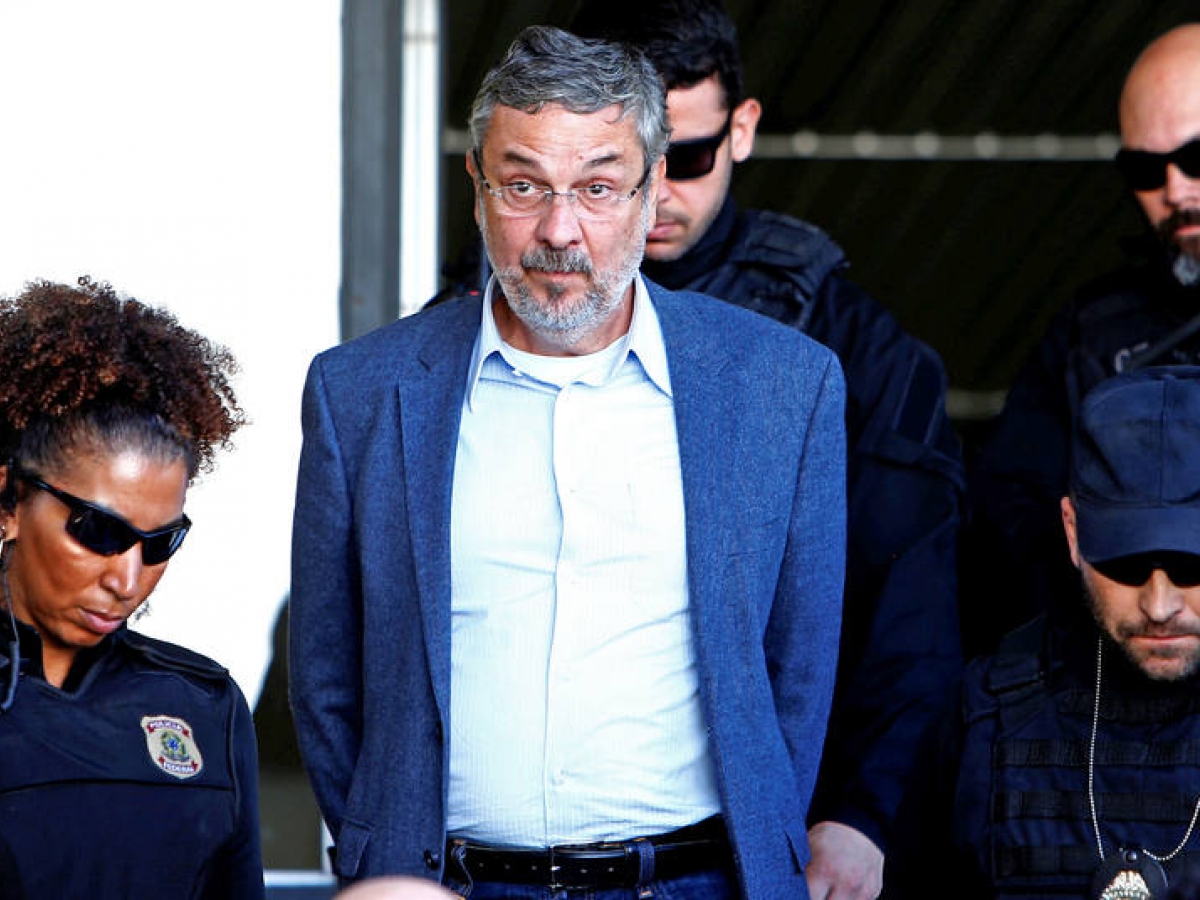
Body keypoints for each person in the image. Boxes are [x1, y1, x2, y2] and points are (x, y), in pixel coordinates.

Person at [290, 25, 846, 900]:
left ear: (651, 190)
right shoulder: (359, 392)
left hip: (696, 885)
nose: (559, 230)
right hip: (446, 885)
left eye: (597, 187)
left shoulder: (781, 386)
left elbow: (797, 677)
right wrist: (381, 854)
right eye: (523, 186)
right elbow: (327, 680)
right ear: (476, 187)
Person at [566, 2, 964, 897]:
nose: (654, 193)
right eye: (616, 164)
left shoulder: (850, 348)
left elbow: (911, 609)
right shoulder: (487, 326)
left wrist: (864, 814)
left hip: (768, 843)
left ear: (741, 129)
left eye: (685, 158)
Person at [887, 366, 1200, 898]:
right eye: (1124, 566)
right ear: (1073, 533)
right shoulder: (985, 715)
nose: (1159, 605)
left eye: (1191, 566)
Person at [0, 278, 260, 898]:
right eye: (98, 531)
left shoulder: (206, 706)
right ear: (7, 502)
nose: (127, 581)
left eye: (160, 543)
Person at [969, 23, 1200, 655]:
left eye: (1196, 157)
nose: (1175, 190)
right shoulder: (1093, 328)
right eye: (1145, 169)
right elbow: (1009, 512)